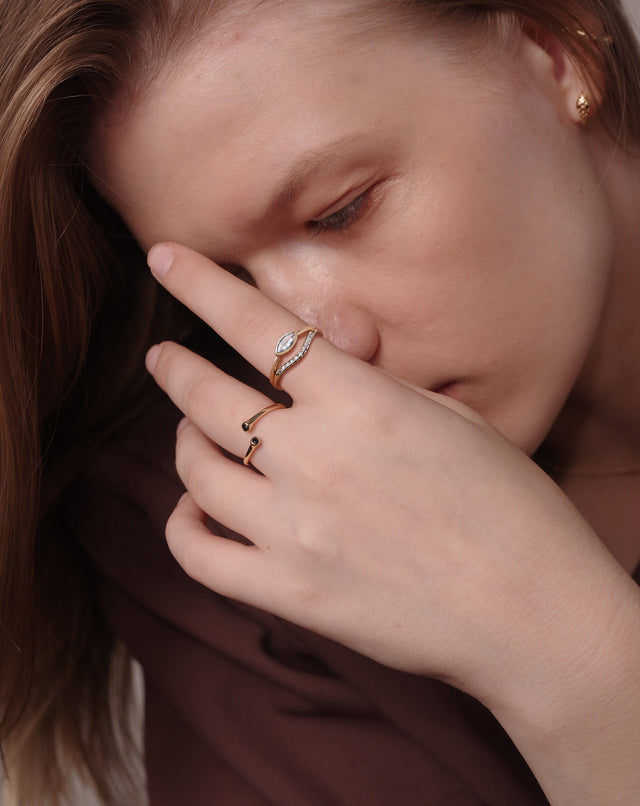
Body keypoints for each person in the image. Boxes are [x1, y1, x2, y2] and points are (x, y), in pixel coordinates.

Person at [2, 0, 640, 803]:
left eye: (343, 210)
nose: (315, 348)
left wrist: (586, 664)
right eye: (230, 288)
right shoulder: (242, 536)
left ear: (554, 48)